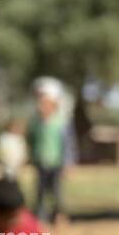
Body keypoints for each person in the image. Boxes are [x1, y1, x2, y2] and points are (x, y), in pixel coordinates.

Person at [27, 89, 69, 223]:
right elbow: (31, 140)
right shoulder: (35, 123)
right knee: (40, 190)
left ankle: (58, 215)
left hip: (55, 162)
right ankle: (40, 216)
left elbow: (67, 144)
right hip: (40, 161)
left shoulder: (60, 123)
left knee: (56, 191)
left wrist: (67, 162)